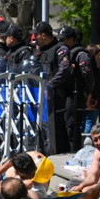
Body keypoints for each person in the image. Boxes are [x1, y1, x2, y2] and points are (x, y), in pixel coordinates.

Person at [35, 21, 72, 154]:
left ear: (43, 35)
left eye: (36, 35)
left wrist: (49, 85)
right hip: (39, 95)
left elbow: (64, 70)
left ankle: (57, 152)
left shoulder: (61, 49)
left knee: (57, 127)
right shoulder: (40, 51)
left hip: (56, 95)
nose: (35, 38)